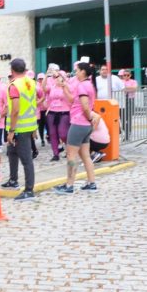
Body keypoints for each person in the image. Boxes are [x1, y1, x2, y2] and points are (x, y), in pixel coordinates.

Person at [55, 62, 99, 194]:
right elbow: (73, 101)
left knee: (71, 155)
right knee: (85, 156)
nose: (76, 72)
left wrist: (89, 117)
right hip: (84, 125)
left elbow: (85, 107)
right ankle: (91, 183)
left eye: (78, 70)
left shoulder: (82, 86)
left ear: (83, 72)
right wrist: (64, 87)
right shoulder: (88, 85)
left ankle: (69, 185)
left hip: (79, 123)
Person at [2, 58, 37, 201]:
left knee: (26, 159)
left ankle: (29, 190)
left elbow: (15, 110)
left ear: (12, 70)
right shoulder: (31, 82)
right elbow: (33, 104)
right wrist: (35, 127)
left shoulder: (14, 85)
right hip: (29, 125)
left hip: (19, 127)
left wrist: (11, 130)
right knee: (12, 152)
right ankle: (13, 179)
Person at [45, 67, 70, 161]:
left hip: (64, 111)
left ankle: (69, 148)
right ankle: (55, 154)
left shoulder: (67, 86)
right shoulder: (52, 87)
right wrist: (46, 76)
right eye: (56, 77)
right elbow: (44, 89)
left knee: (63, 133)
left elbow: (71, 97)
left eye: (59, 77)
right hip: (52, 111)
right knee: (52, 134)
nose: (57, 79)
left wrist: (64, 86)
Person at [36, 73, 47, 148]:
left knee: (48, 124)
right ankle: (42, 139)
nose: (40, 80)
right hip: (39, 109)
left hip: (47, 108)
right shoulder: (36, 87)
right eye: (39, 79)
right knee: (41, 125)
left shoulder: (47, 86)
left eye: (42, 78)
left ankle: (48, 136)